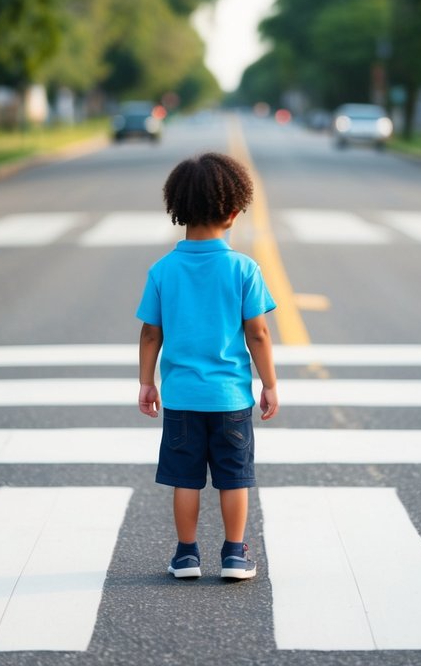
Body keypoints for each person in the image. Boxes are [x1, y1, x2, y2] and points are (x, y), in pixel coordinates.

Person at [136, 151, 279, 581]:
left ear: (178, 209)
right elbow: (258, 334)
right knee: (235, 479)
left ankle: (185, 556)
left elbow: (150, 334)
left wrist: (147, 382)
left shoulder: (163, 270)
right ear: (233, 212)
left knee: (186, 479)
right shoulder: (243, 268)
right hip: (230, 397)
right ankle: (235, 555)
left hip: (181, 397)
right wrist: (269, 384)